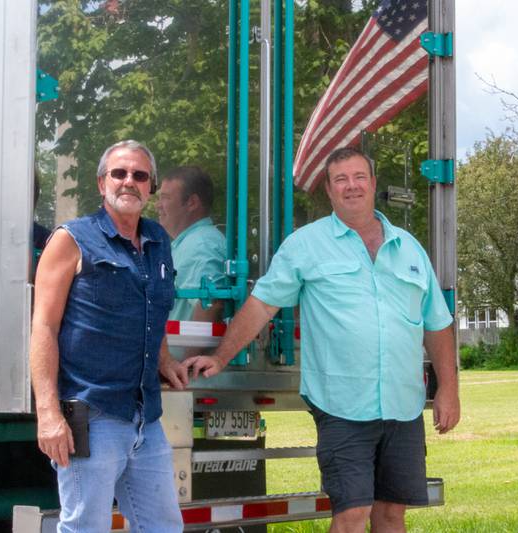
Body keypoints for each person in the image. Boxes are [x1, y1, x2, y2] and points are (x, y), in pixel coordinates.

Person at [185, 147, 460, 533]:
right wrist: (221, 357)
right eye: (341, 180)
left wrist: (449, 388)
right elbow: (262, 304)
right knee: (351, 514)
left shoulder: (409, 248)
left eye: (359, 177)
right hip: (343, 405)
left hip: (402, 405)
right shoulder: (306, 245)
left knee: (392, 514)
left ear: (373, 183)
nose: (352, 186)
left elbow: (437, 324)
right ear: (329, 191)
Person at [30, 140, 187, 532]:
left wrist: (164, 358)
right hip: (91, 412)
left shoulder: (158, 241)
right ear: (102, 184)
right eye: (119, 173)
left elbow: (154, 307)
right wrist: (48, 413)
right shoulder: (71, 240)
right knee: (85, 527)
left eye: (139, 175)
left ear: (150, 187)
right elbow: (44, 327)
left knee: (165, 527)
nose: (128, 181)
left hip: (145, 417)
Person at [156, 166, 227, 356]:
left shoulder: (201, 245)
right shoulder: (188, 242)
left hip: (182, 374)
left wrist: (186, 369)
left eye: (165, 197)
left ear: (192, 203)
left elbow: (209, 304)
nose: (158, 205)